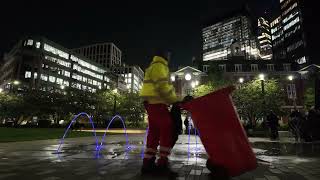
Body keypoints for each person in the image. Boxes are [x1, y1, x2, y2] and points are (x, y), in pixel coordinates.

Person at [139, 50, 179, 175]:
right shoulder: (159, 66)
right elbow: (163, 86)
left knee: (154, 133)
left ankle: (148, 163)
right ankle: (162, 163)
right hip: (157, 103)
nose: (170, 57)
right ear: (165, 56)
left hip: (152, 104)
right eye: (169, 55)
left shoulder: (153, 66)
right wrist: (174, 100)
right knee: (168, 129)